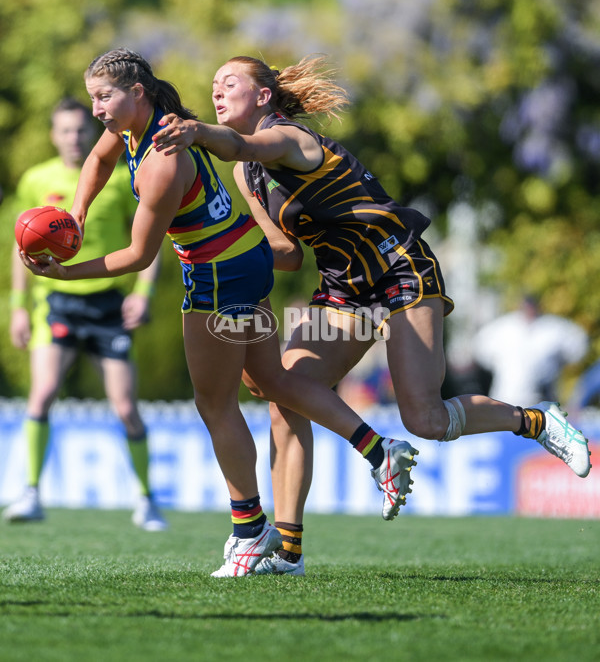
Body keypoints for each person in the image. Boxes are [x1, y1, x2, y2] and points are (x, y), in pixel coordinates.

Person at [152, 53, 592, 576]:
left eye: (229, 83)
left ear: (263, 96)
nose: (217, 91)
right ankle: (286, 551)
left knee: (424, 419)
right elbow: (287, 252)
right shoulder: (248, 175)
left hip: (400, 271)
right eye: (213, 85)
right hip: (345, 290)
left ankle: (537, 420)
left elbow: (240, 143)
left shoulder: (286, 138)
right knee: (283, 389)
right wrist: (222, 247)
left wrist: (195, 132)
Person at [20, 49, 422, 578]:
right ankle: (379, 449)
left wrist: (65, 275)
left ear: (136, 93)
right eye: (92, 97)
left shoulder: (163, 156)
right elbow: (96, 162)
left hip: (219, 276)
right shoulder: (131, 128)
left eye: (104, 97)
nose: (97, 109)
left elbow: (138, 255)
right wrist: (77, 211)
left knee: (214, 405)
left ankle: (249, 532)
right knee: (272, 381)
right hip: (245, 260)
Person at [3, 97, 167, 531]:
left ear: (91, 134)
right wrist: (19, 308)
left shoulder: (118, 179)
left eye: (81, 130)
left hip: (108, 304)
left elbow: (151, 240)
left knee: (126, 407)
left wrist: (144, 292)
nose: (74, 138)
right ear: (54, 135)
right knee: (42, 393)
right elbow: (19, 252)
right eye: (66, 130)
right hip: (56, 302)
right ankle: (31, 493)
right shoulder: (37, 179)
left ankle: (147, 500)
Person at [473, 295, 589, 407]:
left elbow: (578, 347)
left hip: (542, 401)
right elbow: (481, 350)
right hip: (506, 399)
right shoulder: (503, 327)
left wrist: (557, 365)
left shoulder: (553, 327)